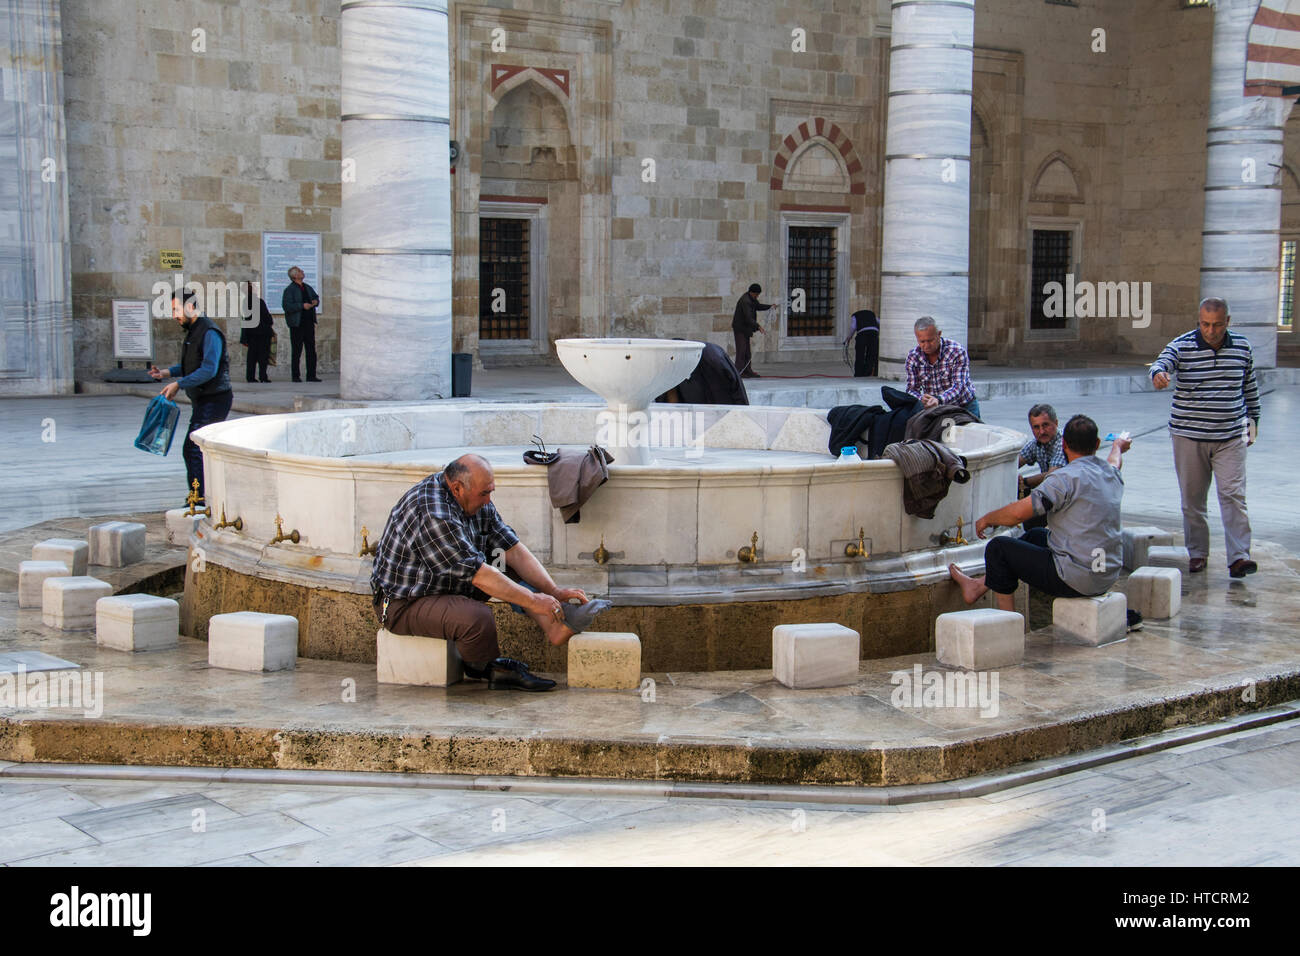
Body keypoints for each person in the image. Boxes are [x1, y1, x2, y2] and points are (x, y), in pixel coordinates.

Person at [370, 454, 612, 692]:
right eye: (484, 494)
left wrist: (553, 591)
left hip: (444, 584)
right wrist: (535, 600)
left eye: (490, 491)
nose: (488, 500)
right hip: (404, 604)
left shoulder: (471, 495)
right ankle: (484, 668)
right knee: (477, 619)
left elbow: (512, 549)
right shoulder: (434, 513)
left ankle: (554, 626)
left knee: (505, 563)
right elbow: (478, 574)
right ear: (457, 488)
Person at [948, 414, 1131, 611]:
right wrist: (1118, 446)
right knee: (1035, 536)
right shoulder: (1111, 473)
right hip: (1105, 575)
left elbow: (1018, 514)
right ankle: (977, 586)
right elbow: (1115, 461)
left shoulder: (1063, 479)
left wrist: (987, 519)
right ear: (1096, 443)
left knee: (998, 548)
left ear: (1064, 445)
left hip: (1078, 580)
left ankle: (1007, 624)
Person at [1151, 296, 1261, 578]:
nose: (1210, 331)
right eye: (1205, 324)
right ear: (1198, 321)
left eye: (1217, 325)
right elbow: (1162, 362)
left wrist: (1254, 421)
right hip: (1189, 436)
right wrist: (1160, 374)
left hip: (1230, 437)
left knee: (1233, 495)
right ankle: (1197, 552)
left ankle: (1239, 557)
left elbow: (1249, 386)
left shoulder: (1242, 347)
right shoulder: (1183, 344)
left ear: (1228, 322)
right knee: (1193, 499)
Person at [149, 289, 233, 504]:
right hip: (203, 399)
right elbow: (191, 364)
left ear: (190, 307)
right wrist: (167, 373)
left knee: (193, 448)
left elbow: (208, 370)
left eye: (176, 309)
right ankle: (202, 495)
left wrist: (179, 384)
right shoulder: (194, 331)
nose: (174, 315)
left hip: (214, 398)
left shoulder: (209, 332)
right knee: (196, 448)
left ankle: (199, 498)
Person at [904, 316, 980, 419]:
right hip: (936, 410)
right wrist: (922, 398)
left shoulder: (956, 351)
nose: (926, 345)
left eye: (930, 340)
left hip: (964, 406)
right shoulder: (913, 357)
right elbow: (911, 389)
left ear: (939, 334)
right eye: (922, 342)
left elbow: (959, 386)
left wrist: (939, 399)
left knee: (971, 434)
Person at [1017, 403, 1067, 531]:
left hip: (1066, 499)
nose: (1041, 431)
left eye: (1045, 425)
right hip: (1051, 494)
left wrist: (1024, 482)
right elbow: (1014, 462)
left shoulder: (1062, 442)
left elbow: (1053, 476)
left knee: (1027, 519)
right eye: (1036, 427)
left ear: (1055, 423)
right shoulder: (1036, 443)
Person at [281, 266, 321, 383]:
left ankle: (311, 375)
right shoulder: (289, 290)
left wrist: (315, 302)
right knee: (297, 350)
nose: (302, 272)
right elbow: (287, 306)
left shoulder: (307, 287)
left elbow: (315, 297)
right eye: (299, 271)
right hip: (297, 324)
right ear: (295, 276)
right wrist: (302, 306)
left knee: (311, 350)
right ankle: (295, 376)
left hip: (308, 323)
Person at [731, 282, 771, 378]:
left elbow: (758, 306)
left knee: (747, 352)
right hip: (740, 329)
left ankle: (747, 371)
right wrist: (758, 326)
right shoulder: (745, 301)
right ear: (752, 293)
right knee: (741, 351)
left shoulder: (751, 299)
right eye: (757, 294)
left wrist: (770, 307)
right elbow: (748, 318)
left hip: (745, 329)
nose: (757, 296)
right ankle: (738, 373)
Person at [240, 282, 274, 383]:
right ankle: (263, 376)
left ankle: (250, 377)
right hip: (262, 332)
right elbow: (267, 318)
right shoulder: (259, 302)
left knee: (252, 356)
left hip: (251, 333)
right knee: (263, 356)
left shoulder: (245, 302)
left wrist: (244, 336)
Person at [846, 308, 879, 377]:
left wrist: (849, 337)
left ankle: (858, 374)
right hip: (874, 333)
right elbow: (879, 322)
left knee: (860, 354)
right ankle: (867, 372)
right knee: (871, 354)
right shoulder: (872, 315)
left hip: (862, 334)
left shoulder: (855, 316)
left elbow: (853, 327)